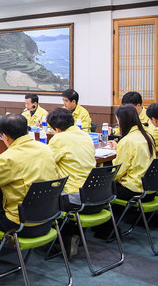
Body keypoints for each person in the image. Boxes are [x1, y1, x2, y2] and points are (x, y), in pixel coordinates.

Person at [0, 114, 57, 237]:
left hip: (22, 225)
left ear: (5, 136)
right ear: (27, 130)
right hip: (48, 218)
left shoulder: (10, 157)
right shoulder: (46, 149)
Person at [94, 104, 156, 239]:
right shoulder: (147, 135)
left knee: (97, 188)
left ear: (122, 121)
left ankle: (109, 230)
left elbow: (118, 172)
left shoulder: (128, 141)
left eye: (117, 121)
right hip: (150, 188)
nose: (117, 125)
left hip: (134, 189)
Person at [47, 108, 97, 255]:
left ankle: (63, 239)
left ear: (56, 128)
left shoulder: (59, 138)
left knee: (43, 195)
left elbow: (47, 162)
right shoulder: (86, 136)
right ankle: (74, 235)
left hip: (74, 197)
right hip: (95, 194)